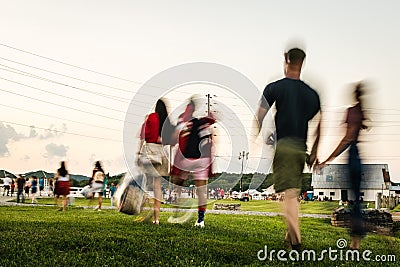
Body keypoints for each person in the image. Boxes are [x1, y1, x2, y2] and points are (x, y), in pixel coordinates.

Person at [255, 48, 321, 251]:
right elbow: (320, 126)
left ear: (286, 60)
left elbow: (260, 115)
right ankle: (288, 236)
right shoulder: (312, 94)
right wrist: (315, 153)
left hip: (283, 146)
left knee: (289, 196)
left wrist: (258, 136)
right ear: (302, 63)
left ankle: (296, 242)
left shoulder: (275, 87)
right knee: (292, 192)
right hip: (301, 148)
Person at [318, 82, 368, 250]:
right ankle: (356, 240)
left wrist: (328, 159)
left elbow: (347, 139)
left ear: (354, 94)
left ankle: (355, 241)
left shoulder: (353, 111)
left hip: (353, 154)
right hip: (358, 154)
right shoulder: (361, 110)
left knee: (354, 200)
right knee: (355, 199)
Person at [169, 98, 216, 227]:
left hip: (186, 158)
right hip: (202, 159)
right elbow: (210, 139)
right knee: (201, 191)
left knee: (177, 185)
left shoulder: (183, 120)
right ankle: (200, 220)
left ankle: (175, 214)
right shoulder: (203, 122)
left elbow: (174, 139)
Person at [137, 98, 174, 224]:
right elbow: (171, 141)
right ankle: (156, 219)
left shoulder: (151, 117)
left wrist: (138, 153)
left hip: (150, 152)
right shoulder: (168, 122)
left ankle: (142, 211)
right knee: (157, 187)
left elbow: (143, 136)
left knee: (145, 184)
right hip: (162, 154)